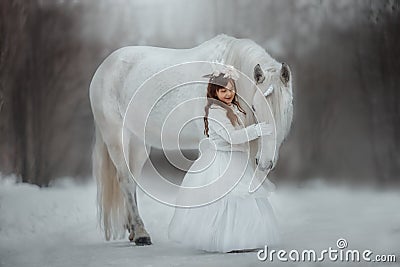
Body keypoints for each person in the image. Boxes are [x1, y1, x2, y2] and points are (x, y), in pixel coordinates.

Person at [168, 65, 281, 253]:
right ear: (214, 92)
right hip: (221, 162)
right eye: (223, 90)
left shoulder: (228, 109)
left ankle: (244, 236)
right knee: (227, 200)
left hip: (234, 160)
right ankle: (225, 238)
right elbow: (232, 137)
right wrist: (256, 130)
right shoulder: (215, 112)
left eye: (231, 89)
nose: (229, 93)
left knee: (243, 200)